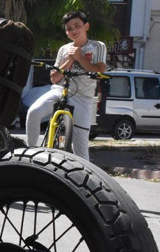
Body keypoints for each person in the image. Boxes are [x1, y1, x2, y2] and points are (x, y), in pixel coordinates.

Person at [25, 11, 107, 160]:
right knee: (34, 112)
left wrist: (79, 57)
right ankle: (31, 153)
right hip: (60, 90)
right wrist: (69, 60)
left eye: (77, 26)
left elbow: (100, 71)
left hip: (83, 97)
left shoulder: (98, 46)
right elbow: (54, 78)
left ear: (86, 26)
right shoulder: (64, 49)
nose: (73, 30)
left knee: (80, 150)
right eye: (69, 28)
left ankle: (83, 173)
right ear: (66, 32)